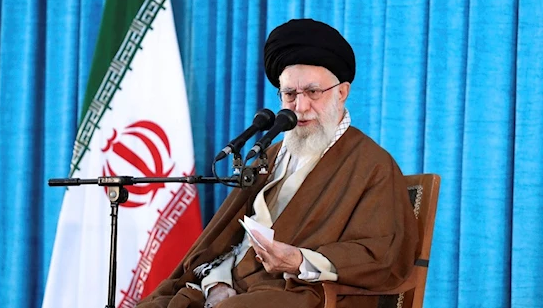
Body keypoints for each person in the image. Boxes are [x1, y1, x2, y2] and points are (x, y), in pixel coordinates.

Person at [136, 19, 419, 308]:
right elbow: (229, 242)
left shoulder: (372, 165)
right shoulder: (269, 155)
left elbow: (383, 254)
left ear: (341, 92)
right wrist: (218, 282)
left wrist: (298, 260)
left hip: (301, 292)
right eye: (290, 95)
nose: (300, 107)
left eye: (313, 92)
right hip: (235, 286)